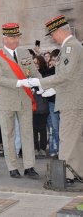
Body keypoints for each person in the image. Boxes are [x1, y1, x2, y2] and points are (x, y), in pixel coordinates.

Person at [24, 15, 83, 184]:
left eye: (53, 34)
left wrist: (40, 82)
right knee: (74, 139)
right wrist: (52, 88)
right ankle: (76, 171)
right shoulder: (72, 46)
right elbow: (69, 76)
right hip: (71, 98)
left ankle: (67, 175)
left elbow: (64, 74)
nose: (52, 38)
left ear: (60, 31)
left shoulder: (71, 47)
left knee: (67, 138)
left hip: (71, 100)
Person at [0, 23, 41, 179]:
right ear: (4, 39)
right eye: (12, 38)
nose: (15, 40)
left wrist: (42, 85)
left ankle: (29, 166)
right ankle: (12, 166)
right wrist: (19, 83)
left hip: (24, 99)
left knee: (27, 133)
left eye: (17, 37)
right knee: (8, 134)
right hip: (6, 100)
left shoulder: (24, 52)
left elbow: (34, 72)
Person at [32, 56, 49, 158]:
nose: (35, 65)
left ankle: (42, 149)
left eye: (37, 63)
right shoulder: (28, 76)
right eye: (34, 63)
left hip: (42, 106)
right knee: (33, 129)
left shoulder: (45, 75)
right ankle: (35, 148)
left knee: (42, 129)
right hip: (32, 107)